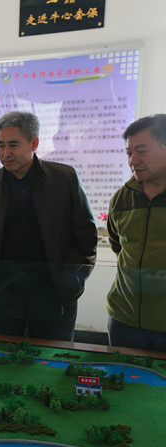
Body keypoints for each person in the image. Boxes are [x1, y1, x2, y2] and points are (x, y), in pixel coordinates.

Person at [0, 111, 97, 341]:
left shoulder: (64, 178)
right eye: (1, 145)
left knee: (53, 357)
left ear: (34, 143)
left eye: (13, 145)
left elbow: (86, 236)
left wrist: (72, 281)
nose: (6, 153)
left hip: (53, 294)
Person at [106, 114, 166, 350]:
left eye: (142, 151)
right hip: (125, 318)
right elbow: (118, 246)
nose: (133, 161)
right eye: (129, 153)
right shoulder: (122, 197)